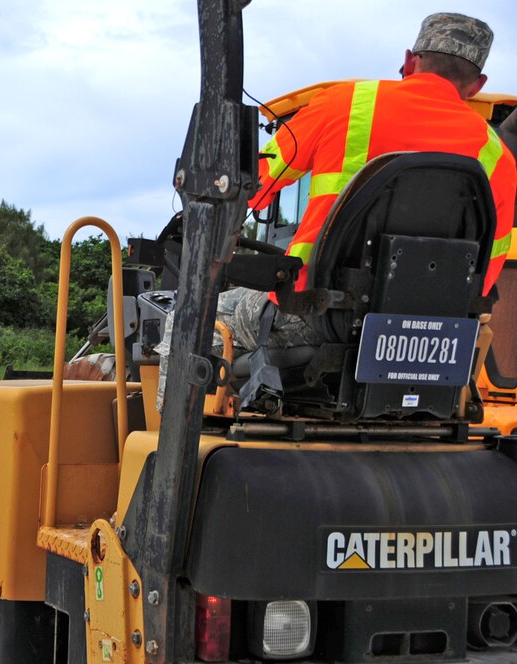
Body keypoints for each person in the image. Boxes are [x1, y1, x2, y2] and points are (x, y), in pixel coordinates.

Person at [157, 11, 517, 409]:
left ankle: (170, 464)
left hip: (314, 319)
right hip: (436, 342)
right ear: (477, 85)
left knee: (184, 318)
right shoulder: (498, 157)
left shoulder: (347, 104)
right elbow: (482, 282)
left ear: (410, 61)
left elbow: (251, 190)